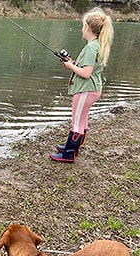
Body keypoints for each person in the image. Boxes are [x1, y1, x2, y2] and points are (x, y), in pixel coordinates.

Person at [50, 8, 113, 163]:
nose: (81, 29)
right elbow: (89, 67)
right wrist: (72, 62)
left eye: (83, 25)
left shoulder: (91, 47)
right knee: (82, 120)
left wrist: (70, 66)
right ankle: (71, 148)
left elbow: (85, 73)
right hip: (93, 89)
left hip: (86, 90)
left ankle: (69, 154)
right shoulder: (98, 45)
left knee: (77, 122)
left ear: (88, 28)